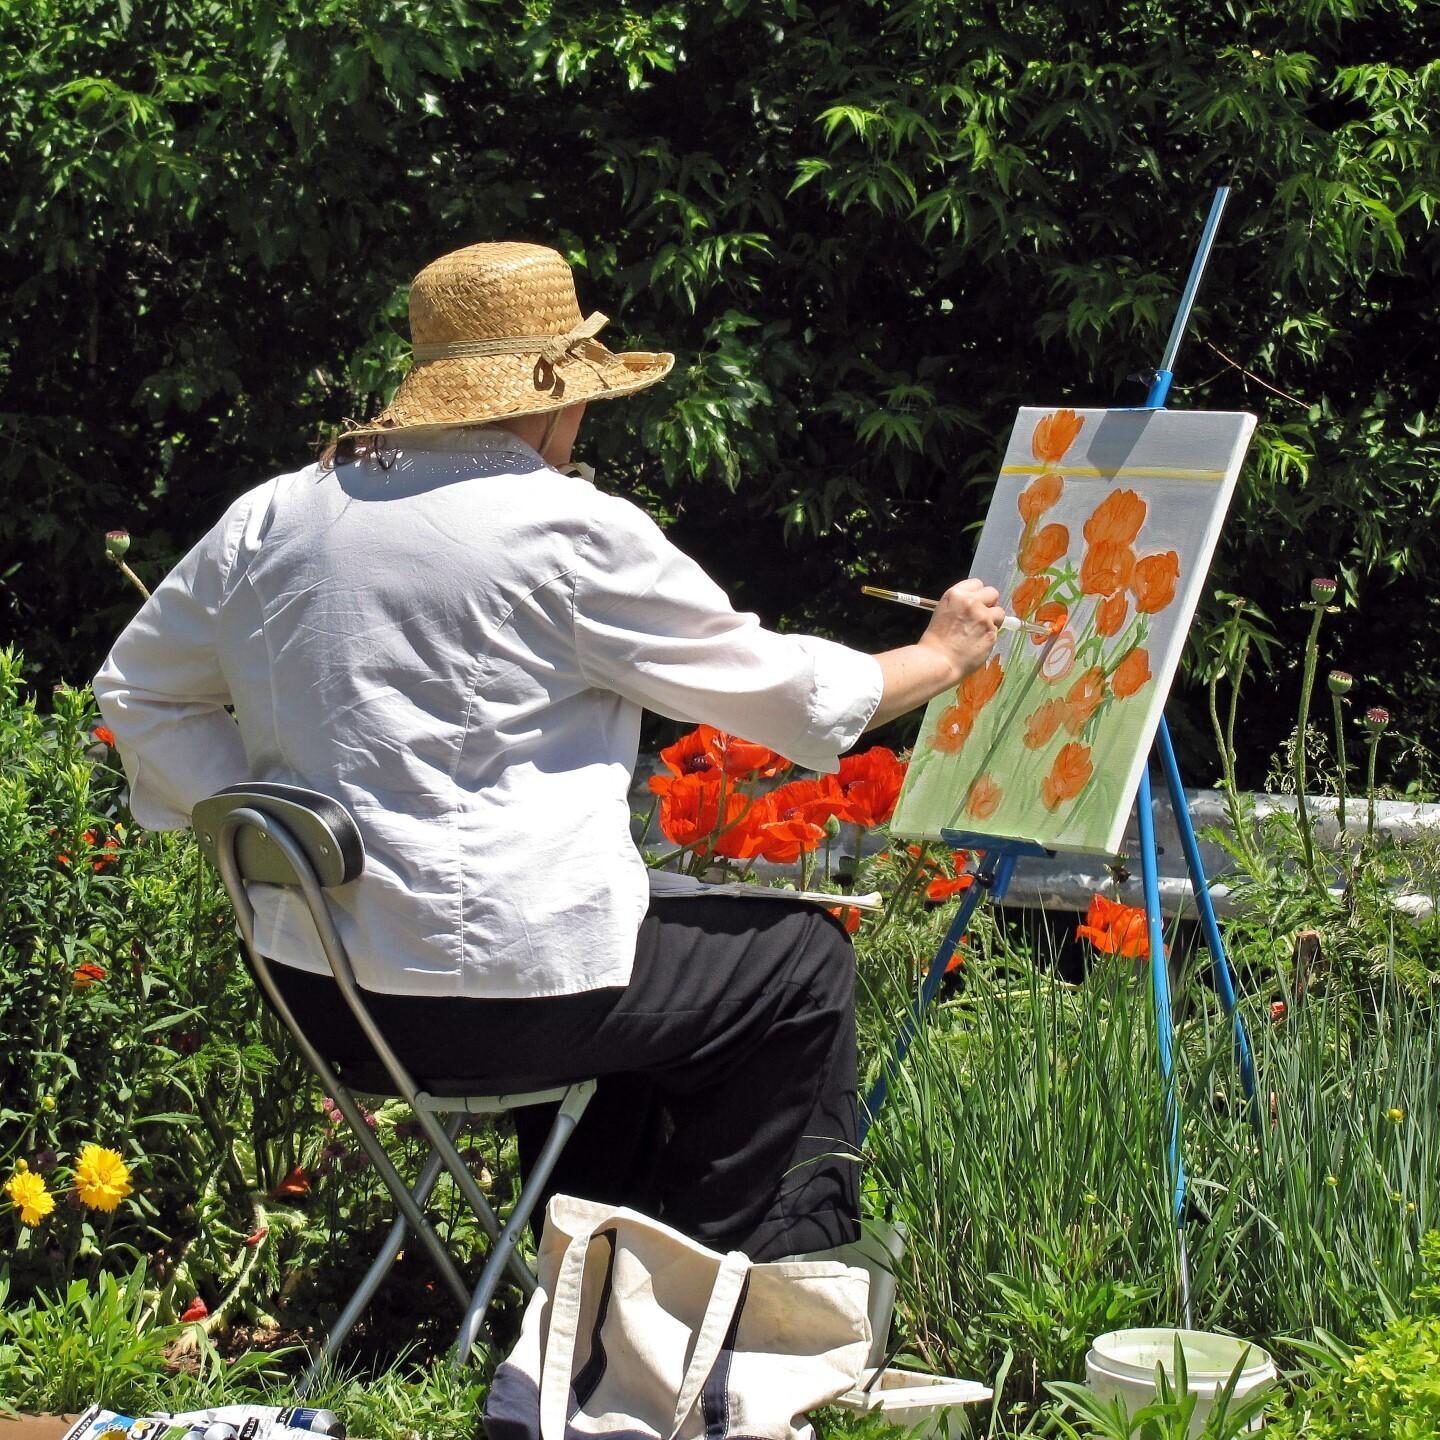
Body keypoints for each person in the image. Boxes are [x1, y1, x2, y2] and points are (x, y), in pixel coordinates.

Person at [93, 241, 1003, 1263]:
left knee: (608, 935)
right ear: (551, 401)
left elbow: (137, 693)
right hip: (500, 1008)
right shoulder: (562, 529)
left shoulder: (277, 514)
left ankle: (587, 1274)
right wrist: (937, 655)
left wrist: (275, 836)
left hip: (318, 992)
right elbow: (788, 700)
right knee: (798, 966)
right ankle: (725, 1292)